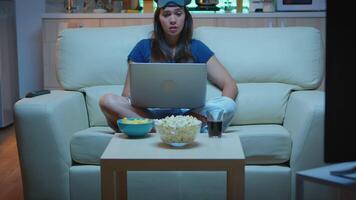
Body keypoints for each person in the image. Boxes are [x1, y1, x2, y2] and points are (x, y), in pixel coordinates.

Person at [99, 0, 238, 133]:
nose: (173, 20)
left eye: (178, 14)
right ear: (158, 19)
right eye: (166, 14)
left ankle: (163, 129)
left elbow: (230, 85)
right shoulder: (143, 47)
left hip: (189, 115)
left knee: (228, 105)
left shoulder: (196, 47)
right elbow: (127, 95)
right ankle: (169, 129)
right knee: (107, 101)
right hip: (149, 114)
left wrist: (212, 115)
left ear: (185, 17)